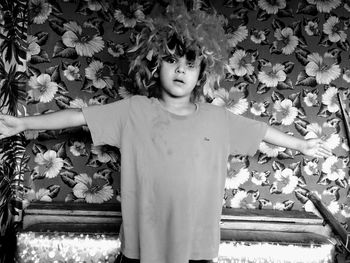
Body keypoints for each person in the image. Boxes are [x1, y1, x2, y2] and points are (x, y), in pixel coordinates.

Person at [0, 2, 332, 263]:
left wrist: (302, 143)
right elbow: (78, 116)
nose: (181, 69)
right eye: (171, 60)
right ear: (155, 65)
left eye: (191, 63)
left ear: (202, 73)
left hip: (197, 246)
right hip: (144, 246)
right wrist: (25, 123)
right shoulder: (134, 110)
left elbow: (262, 132)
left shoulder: (218, 117)